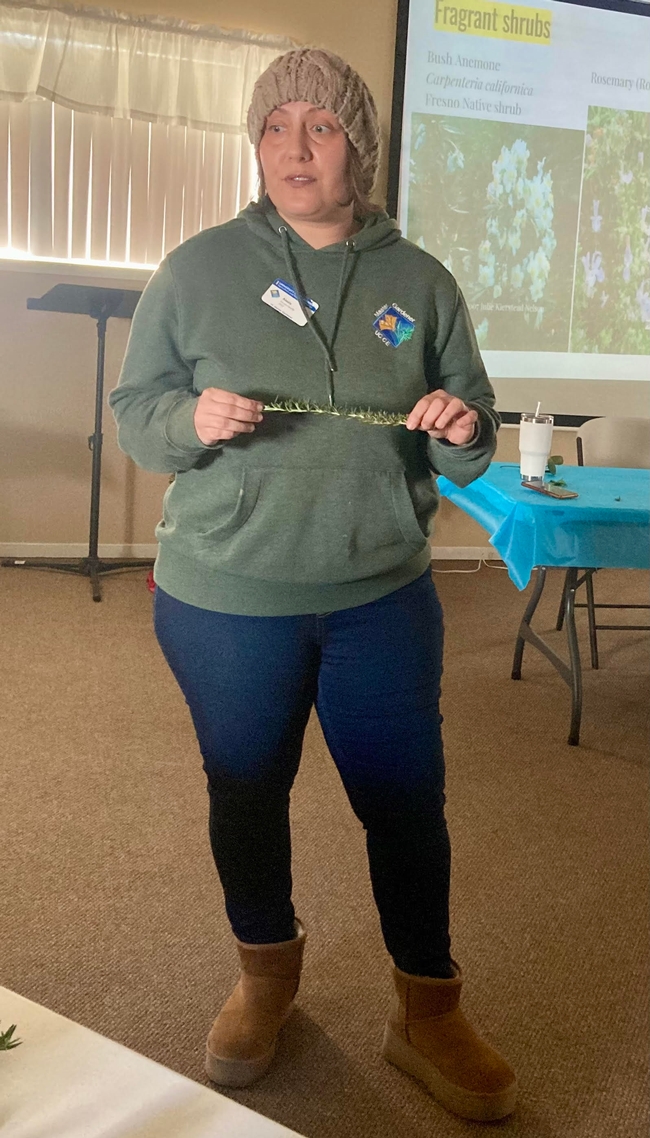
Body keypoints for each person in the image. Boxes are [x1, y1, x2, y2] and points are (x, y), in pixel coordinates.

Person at [109, 48, 517, 1123]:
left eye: (321, 128)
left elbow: (470, 432)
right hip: (225, 597)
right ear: (254, 144)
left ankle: (426, 1008)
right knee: (245, 791)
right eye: (275, 126)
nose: (295, 148)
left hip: (380, 594)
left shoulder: (421, 281)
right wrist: (184, 421)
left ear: (359, 148)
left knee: (403, 804)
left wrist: (464, 427)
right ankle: (264, 977)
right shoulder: (194, 270)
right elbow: (135, 407)